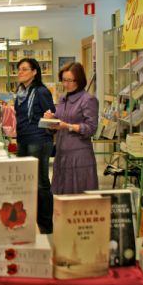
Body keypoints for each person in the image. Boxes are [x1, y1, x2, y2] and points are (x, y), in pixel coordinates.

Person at [14, 58, 56, 234]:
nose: (20, 72)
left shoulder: (41, 91)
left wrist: (50, 115)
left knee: (40, 183)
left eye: (24, 69)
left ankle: (46, 226)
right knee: (24, 183)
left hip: (38, 140)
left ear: (34, 72)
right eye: (19, 69)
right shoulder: (20, 92)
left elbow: (51, 114)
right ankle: (30, 221)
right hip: (23, 139)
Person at [44, 62, 99, 194]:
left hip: (79, 155)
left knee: (78, 199)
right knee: (61, 197)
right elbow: (58, 122)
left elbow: (91, 128)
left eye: (69, 80)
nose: (65, 84)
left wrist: (68, 126)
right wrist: (50, 120)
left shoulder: (88, 99)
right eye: (63, 80)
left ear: (79, 80)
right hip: (62, 153)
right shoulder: (63, 98)